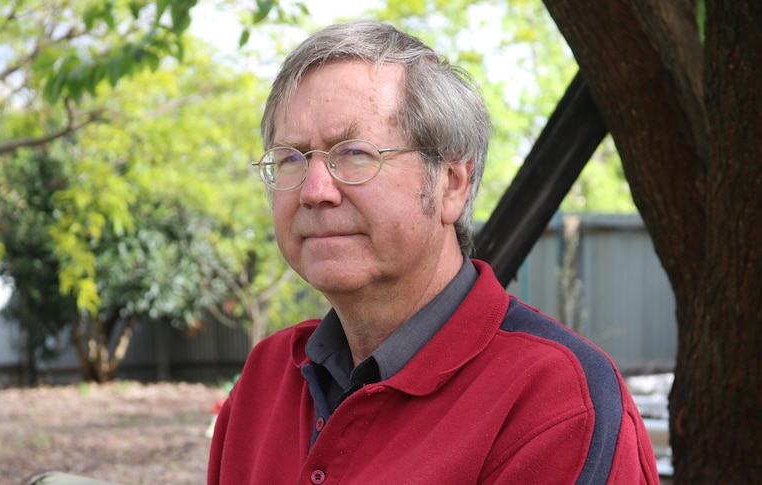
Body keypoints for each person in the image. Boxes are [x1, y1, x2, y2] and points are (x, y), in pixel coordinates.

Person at [208, 20, 658, 484]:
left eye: (355, 154)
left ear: (451, 184)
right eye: (291, 159)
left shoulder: (555, 398)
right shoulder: (265, 380)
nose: (315, 190)